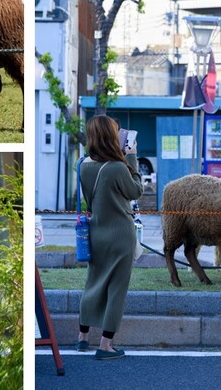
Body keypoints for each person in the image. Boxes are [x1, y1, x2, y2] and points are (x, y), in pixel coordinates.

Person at [76, 115, 143, 360]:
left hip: (95, 231)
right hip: (119, 234)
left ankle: (82, 338)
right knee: (116, 288)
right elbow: (136, 190)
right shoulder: (116, 167)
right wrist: (132, 157)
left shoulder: (82, 164)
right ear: (110, 137)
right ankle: (105, 346)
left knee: (93, 282)